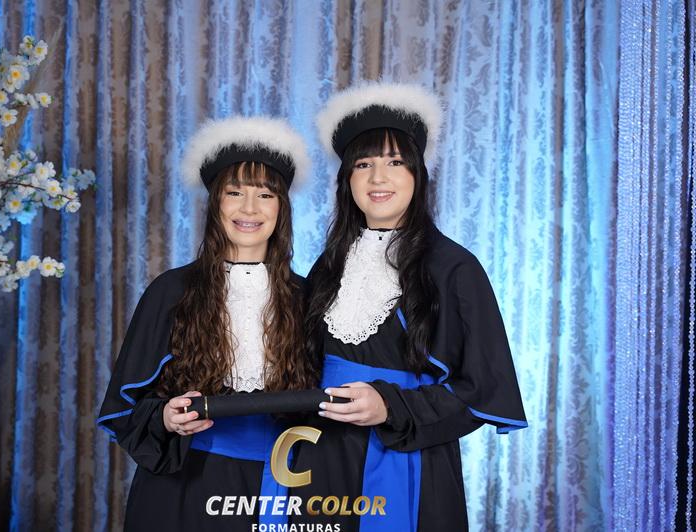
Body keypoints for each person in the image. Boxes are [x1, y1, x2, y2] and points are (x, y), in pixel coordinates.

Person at [290, 82, 527, 531]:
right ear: (347, 181)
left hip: (407, 457)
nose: (378, 178)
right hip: (322, 455)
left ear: (418, 175)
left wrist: (390, 406)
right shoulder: (329, 264)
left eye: (395, 162)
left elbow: (480, 389)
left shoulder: (454, 267)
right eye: (364, 165)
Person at [97, 116, 316, 531]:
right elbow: (125, 406)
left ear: (281, 208)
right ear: (215, 203)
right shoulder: (171, 290)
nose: (249, 208)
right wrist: (166, 417)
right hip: (185, 486)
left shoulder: (307, 297)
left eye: (264, 194)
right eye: (235, 192)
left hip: (280, 484)